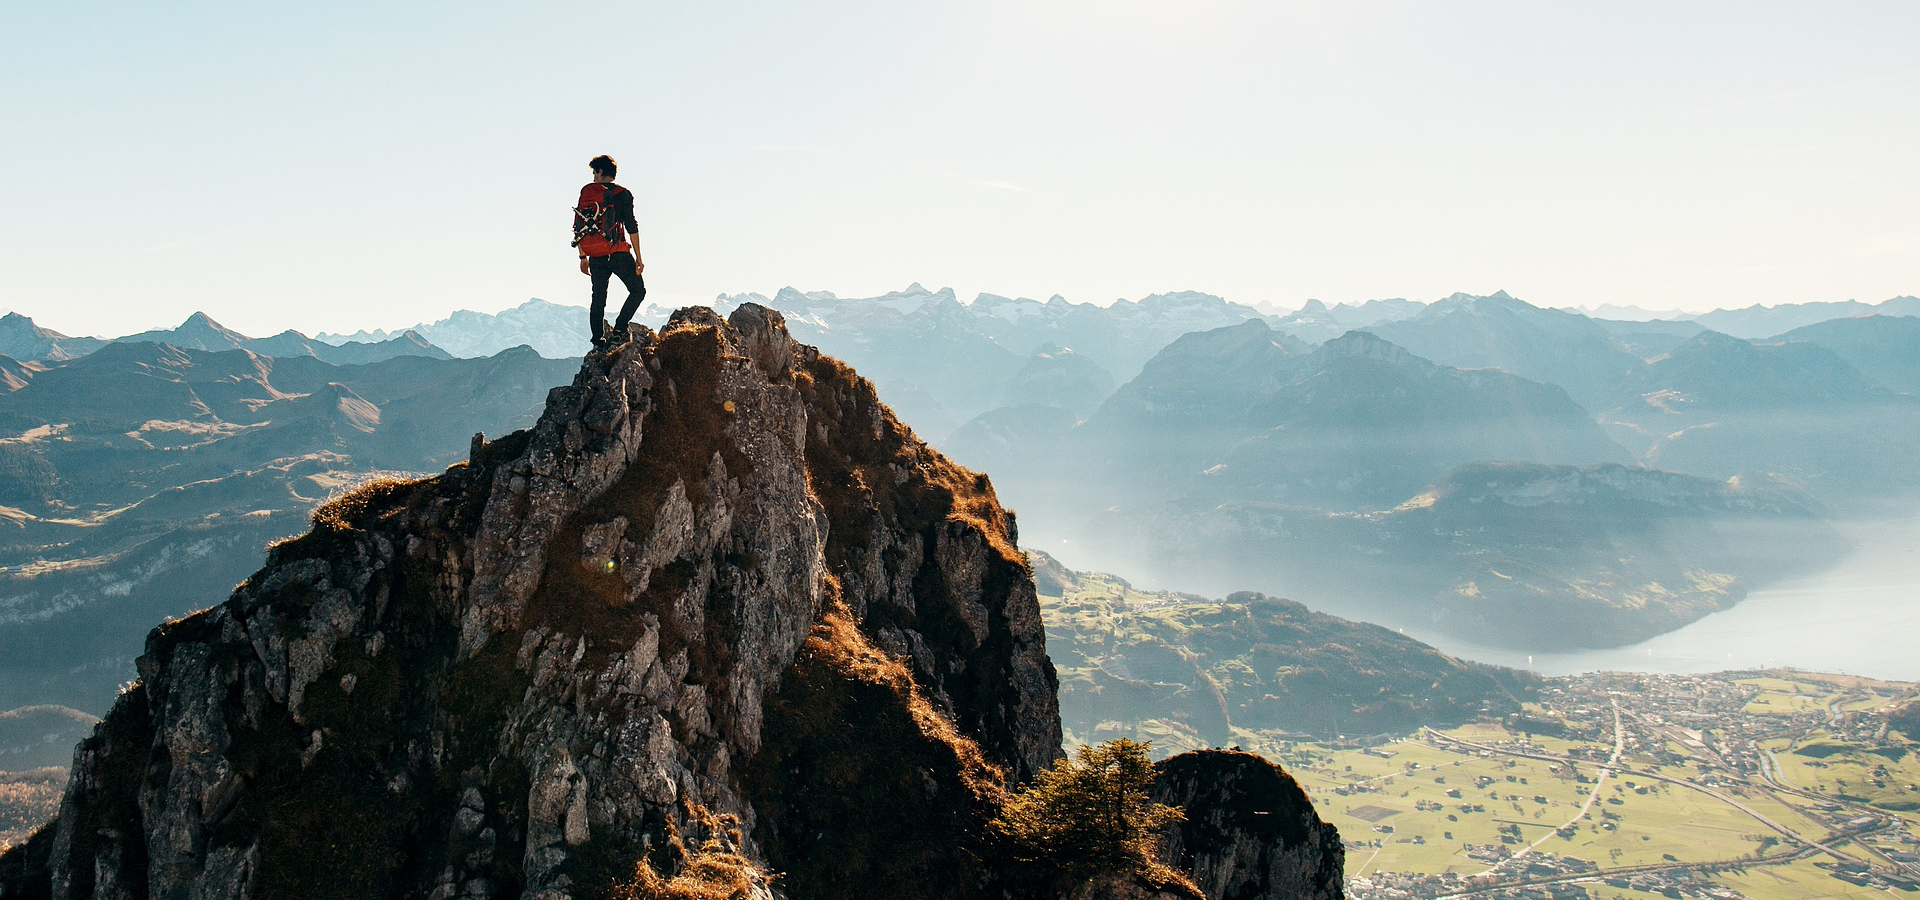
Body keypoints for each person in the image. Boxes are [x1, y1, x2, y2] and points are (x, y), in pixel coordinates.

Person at [573, 154, 646, 347]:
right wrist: (638, 257)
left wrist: (583, 257)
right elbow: (631, 226)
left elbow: (580, 226)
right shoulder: (623, 194)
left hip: (595, 255)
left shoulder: (589, 196)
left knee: (598, 298)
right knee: (638, 290)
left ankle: (598, 340)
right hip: (618, 253)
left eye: (594, 172)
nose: (593, 177)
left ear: (601, 171)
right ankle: (620, 330)